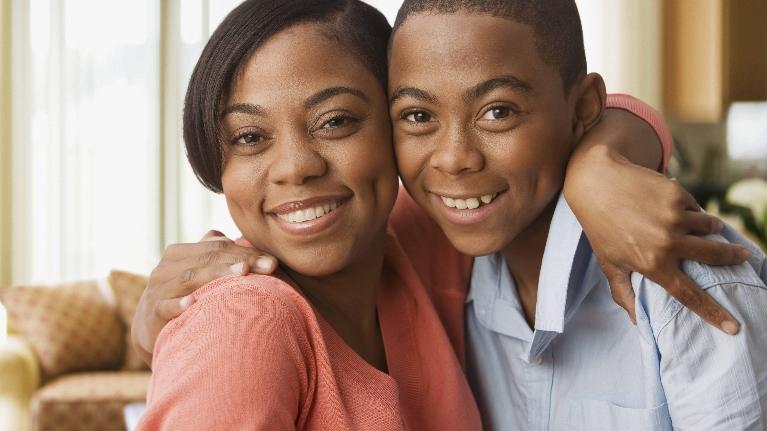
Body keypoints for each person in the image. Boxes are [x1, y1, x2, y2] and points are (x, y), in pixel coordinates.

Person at [385, 0, 766, 428]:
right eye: (418, 116)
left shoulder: (675, 278)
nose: (454, 159)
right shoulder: (446, 273)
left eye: (498, 112)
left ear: (583, 108)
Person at [136, 1, 482, 429]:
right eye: (248, 137)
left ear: (400, 124)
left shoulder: (423, 238)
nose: (295, 167)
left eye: (334, 121)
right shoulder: (245, 322)